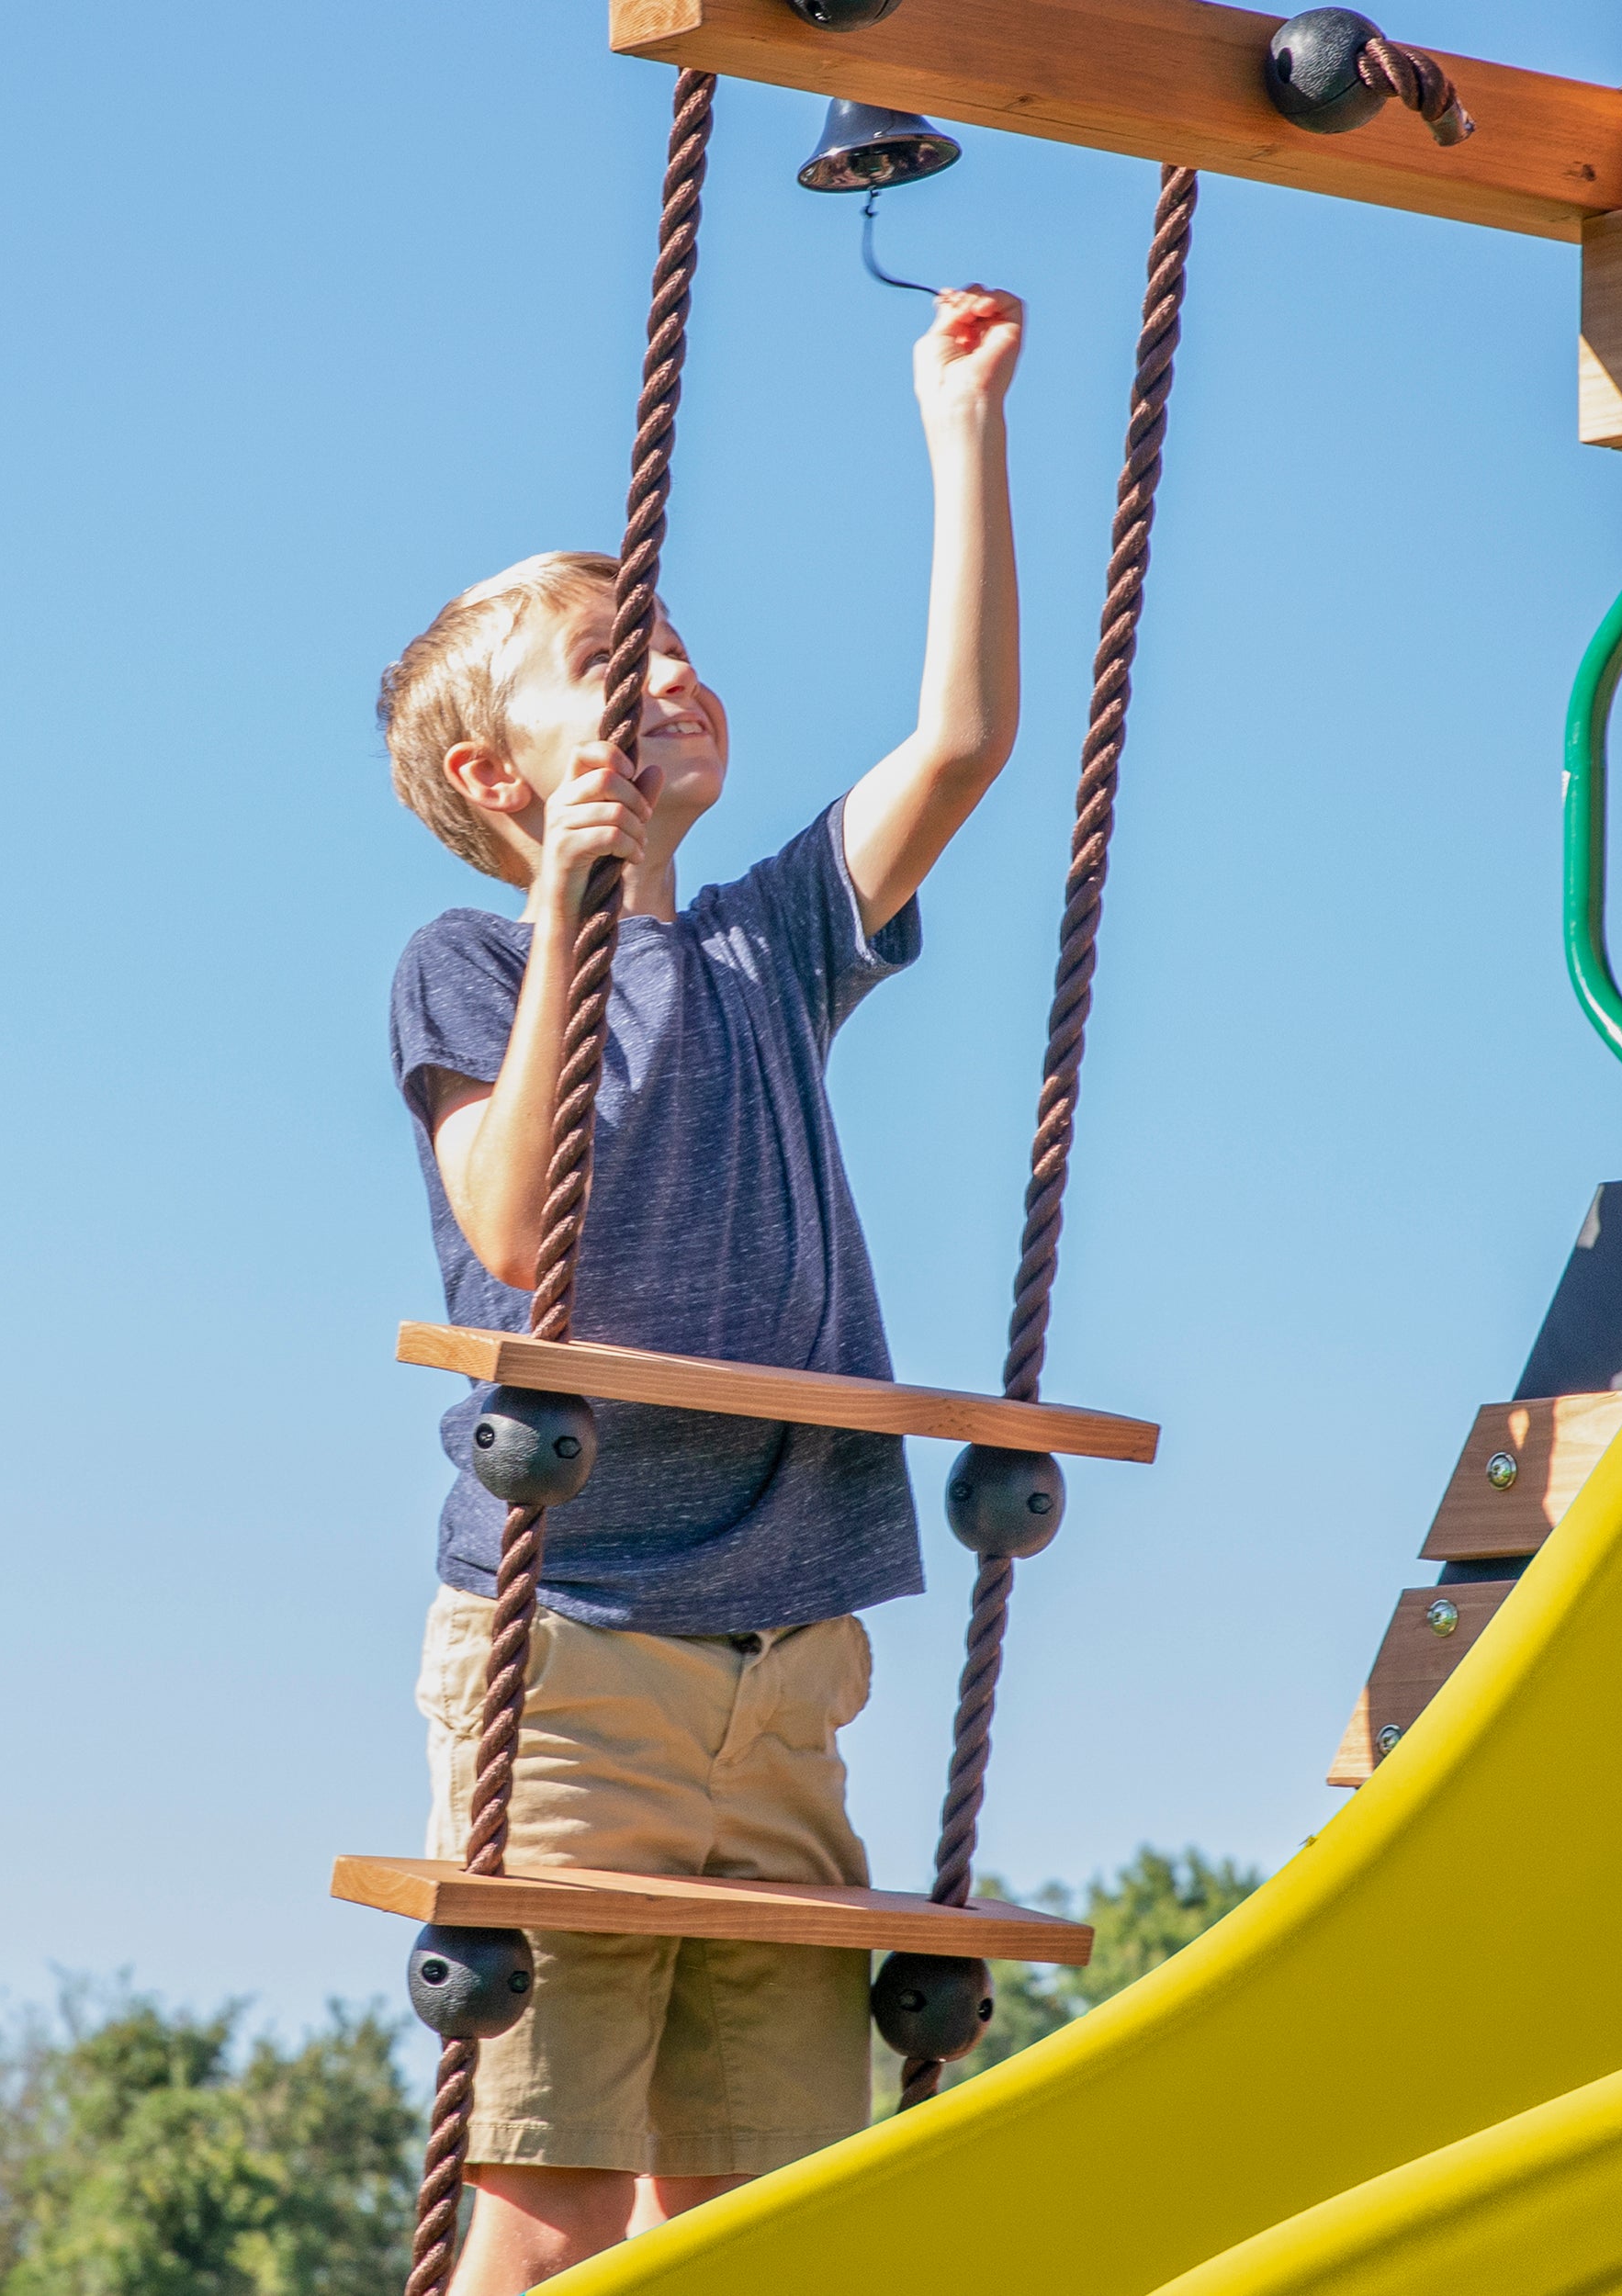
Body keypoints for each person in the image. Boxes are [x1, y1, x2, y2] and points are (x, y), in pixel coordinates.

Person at [378, 283, 1023, 2296]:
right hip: (569, 1653)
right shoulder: (471, 963)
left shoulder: (768, 946)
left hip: (788, 1662)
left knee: (740, 2214)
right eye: (605, 659)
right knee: (551, 2196)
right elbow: (509, 1224)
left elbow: (966, 739)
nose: (663, 669)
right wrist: (573, 891)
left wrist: (959, 433)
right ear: (502, 776)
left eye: (667, 637)